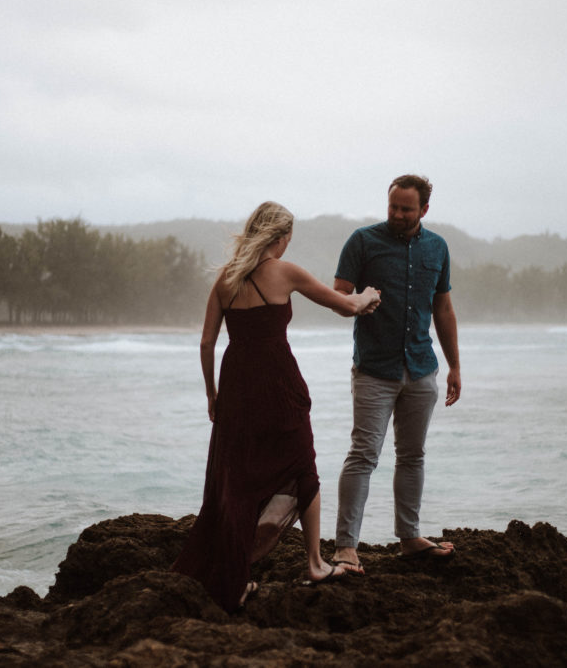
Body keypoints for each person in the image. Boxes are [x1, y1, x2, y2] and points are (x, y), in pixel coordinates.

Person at [172, 201, 381, 611]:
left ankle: (235, 579)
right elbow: (346, 306)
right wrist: (369, 295)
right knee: (302, 464)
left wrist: (212, 394)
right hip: (278, 382)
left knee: (236, 479)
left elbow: (206, 343)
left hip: (235, 385)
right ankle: (316, 563)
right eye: (288, 239)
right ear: (280, 237)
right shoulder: (286, 272)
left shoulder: (226, 278)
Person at [332, 174, 461, 573]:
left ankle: (409, 537)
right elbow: (338, 296)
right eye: (393, 206)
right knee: (363, 455)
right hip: (374, 368)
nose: (398, 214)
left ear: (424, 209)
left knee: (412, 456)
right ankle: (345, 547)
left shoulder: (437, 247)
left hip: (421, 369)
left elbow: (443, 309)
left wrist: (455, 365)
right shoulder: (363, 241)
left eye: (406, 208)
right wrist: (359, 301)